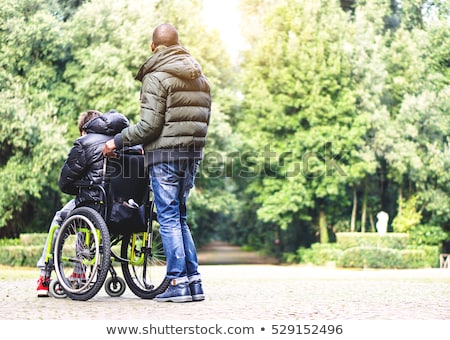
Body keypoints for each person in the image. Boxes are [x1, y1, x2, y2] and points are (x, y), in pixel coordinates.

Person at [103, 23, 211, 303]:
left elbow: (149, 125)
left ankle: (176, 282)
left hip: (165, 157)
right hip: (192, 155)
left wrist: (117, 141)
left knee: (168, 218)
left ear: (153, 46)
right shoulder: (200, 78)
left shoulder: (157, 76)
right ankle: (193, 283)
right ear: (177, 43)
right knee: (180, 217)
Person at [36, 109, 130, 297]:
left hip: (95, 202)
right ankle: (79, 271)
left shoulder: (85, 143)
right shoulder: (126, 143)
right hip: (124, 207)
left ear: (84, 130)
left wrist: (78, 189)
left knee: (62, 219)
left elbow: (65, 181)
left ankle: (45, 274)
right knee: (84, 218)